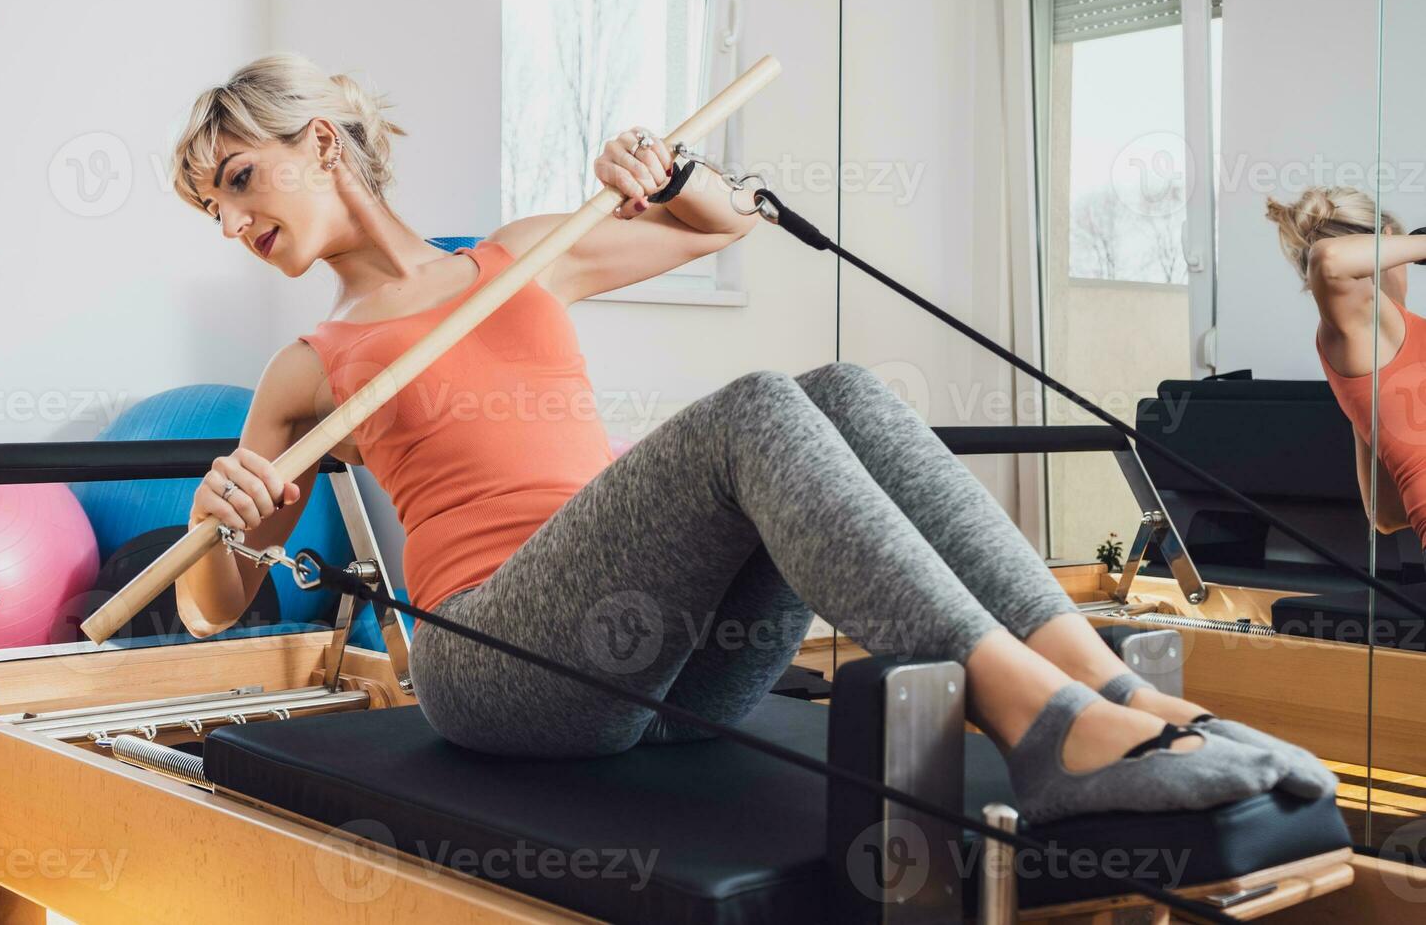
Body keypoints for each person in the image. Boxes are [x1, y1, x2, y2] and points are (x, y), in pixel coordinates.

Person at [167, 54, 1330, 823]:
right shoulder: (309, 369)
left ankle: (1112, 689)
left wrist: (672, 174)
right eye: (210, 210)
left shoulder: (516, 257)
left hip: (660, 661)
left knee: (844, 388)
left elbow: (716, 227)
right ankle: (1046, 730)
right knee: (759, 407)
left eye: (237, 178)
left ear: (320, 142)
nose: (230, 220)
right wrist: (228, 523)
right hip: (494, 663)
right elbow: (210, 605)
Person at [1266, 186, 1426, 541]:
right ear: (1386, 241)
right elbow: (1330, 259)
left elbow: (1386, 514)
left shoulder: (1374, 352)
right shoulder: (1363, 331)